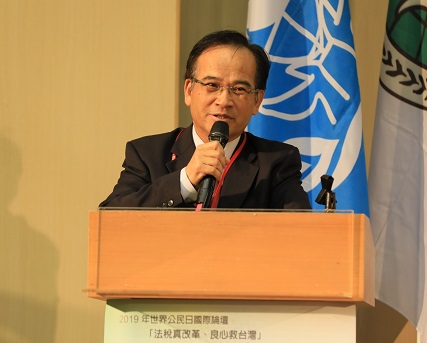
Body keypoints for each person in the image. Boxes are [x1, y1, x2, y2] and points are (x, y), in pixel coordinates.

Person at [99, 30, 311, 210]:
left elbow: (300, 233)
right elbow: (110, 217)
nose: (224, 100)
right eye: (212, 85)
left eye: (239, 89)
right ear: (189, 91)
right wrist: (185, 180)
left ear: (257, 100)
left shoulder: (277, 163)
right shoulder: (147, 154)